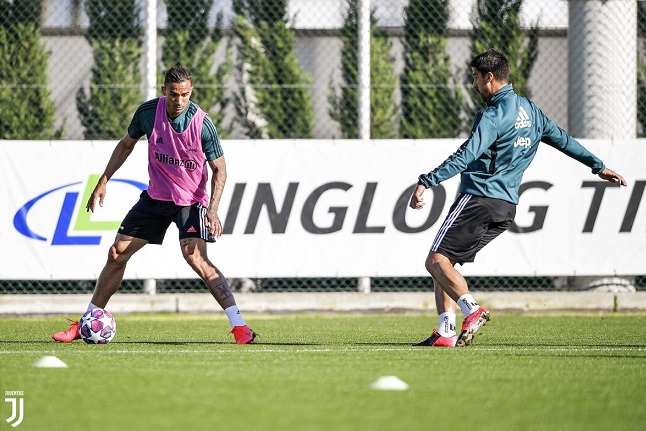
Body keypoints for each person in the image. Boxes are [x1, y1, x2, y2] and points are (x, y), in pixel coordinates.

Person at [409, 49, 626, 348]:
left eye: (475, 78)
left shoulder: (493, 115)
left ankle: (471, 310)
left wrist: (427, 181)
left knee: (434, 260)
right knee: (446, 264)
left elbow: (467, 154)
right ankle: (445, 331)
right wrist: (598, 166)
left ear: (489, 77)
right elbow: (563, 139)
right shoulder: (531, 111)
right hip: (505, 207)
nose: (473, 85)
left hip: (478, 197)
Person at [53, 66, 255, 344]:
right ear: (164, 91)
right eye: (174, 94)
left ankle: (240, 326)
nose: (179, 100)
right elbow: (126, 145)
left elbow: (220, 169)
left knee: (195, 257)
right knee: (116, 253)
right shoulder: (148, 113)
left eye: (185, 94)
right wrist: (104, 179)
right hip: (156, 197)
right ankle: (88, 321)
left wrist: (213, 209)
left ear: (190, 91)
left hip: (190, 201)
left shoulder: (203, 124)